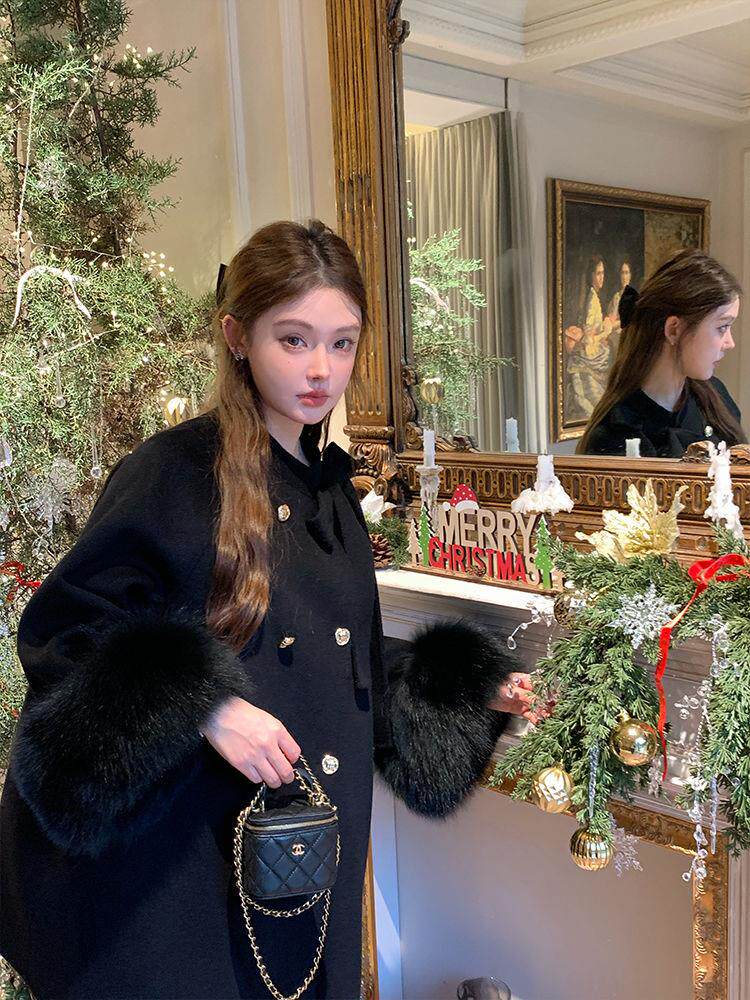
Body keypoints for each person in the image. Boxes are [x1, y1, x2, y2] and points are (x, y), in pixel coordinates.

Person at [0, 220, 541, 1000]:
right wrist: (206, 706)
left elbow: (331, 657)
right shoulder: (173, 473)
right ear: (237, 337)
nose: (322, 369)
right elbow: (65, 636)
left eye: (342, 343)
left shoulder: (330, 490)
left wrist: (464, 685)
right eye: (294, 340)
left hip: (290, 866)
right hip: (177, 878)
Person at [578, 249, 744, 458]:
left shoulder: (716, 398)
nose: (730, 343)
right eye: (722, 327)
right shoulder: (616, 435)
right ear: (674, 329)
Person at [565, 256, 614, 419]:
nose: (602, 277)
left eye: (603, 273)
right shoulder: (592, 300)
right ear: (591, 275)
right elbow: (588, 339)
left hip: (596, 351)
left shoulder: (594, 297)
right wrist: (606, 332)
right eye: (598, 273)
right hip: (591, 354)